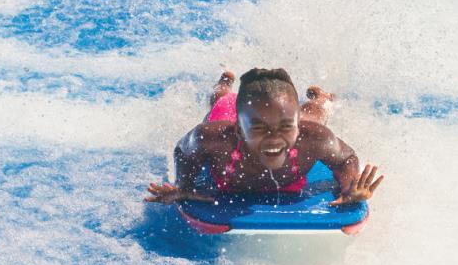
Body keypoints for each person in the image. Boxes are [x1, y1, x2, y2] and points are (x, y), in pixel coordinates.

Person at [146, 68, 384, 207]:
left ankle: (323, 98)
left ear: (297, 126)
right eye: (260, 129)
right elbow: (184, 150)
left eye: (286, 127)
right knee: (221, 102)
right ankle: (225, 83)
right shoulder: (214, 138)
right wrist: (184, 186)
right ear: (238, 130)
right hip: (235, 114)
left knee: (315, 114)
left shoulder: (311, 137)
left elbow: (346, 158)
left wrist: (349, 188)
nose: (273, 138)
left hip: (279, 118)